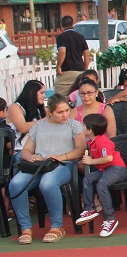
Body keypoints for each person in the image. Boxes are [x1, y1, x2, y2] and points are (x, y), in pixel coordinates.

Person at [9, 94, 87, 245]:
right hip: (39, 165)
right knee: (15, 184)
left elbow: (80, 150)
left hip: (62, 164)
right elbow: (26, 150)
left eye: (66, 110)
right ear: (49, 112)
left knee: (48, 183)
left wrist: (61, 156)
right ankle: (25, 228)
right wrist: (29, 157)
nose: (65, 115)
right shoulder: (39, 126)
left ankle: (57, 226)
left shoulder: (73, 125)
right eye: (60, 112)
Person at [74, 113, 127, 237]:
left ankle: (110, 218)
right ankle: (89, 208)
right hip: (106, 170)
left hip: (117, 168)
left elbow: (108, 158)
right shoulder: (91, 142)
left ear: (90, 130)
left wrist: (91, 161)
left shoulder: (102, 141)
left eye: (83, 125)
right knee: (88, 179)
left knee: (102, 184)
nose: (82, 127)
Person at [7, 80, 47, 159]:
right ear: (32, 93)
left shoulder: (39, 108)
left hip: (37, 148)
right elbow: (23, 128)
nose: (44, 96)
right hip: (19, 149)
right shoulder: (15, 107)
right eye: (41, 93)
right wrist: (45, 119)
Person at [54, 15, 91, 97]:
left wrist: (59, 66)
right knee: (78, 96)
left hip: (66, 72)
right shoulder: (80, 37)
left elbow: (62, 51)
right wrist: (85, 68)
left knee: (60, 97)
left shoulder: (61, 37)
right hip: (79, 70)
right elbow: (87, 54)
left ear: (61, 25)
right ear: (72, 24)